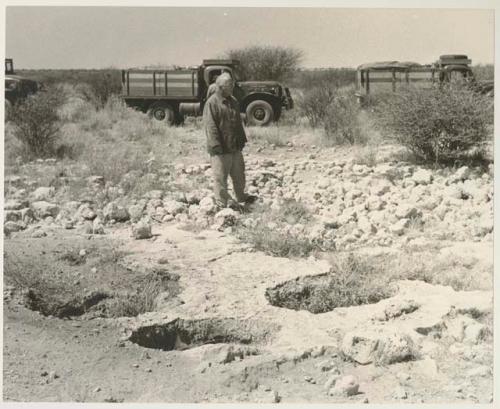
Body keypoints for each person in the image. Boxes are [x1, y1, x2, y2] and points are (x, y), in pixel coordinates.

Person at [203, 73, 255, 209]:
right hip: (221, 148)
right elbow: (210, 126)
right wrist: (215, 145)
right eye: (229, 85)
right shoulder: (212, 103)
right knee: (220, 177)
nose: (232, 87)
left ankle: (241, 196)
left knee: (239, 174)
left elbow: (238, 122)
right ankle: (222, 203)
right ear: (221, 87)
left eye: (232, 84)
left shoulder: (233, 101)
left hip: (234, 146)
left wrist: (242, 140)